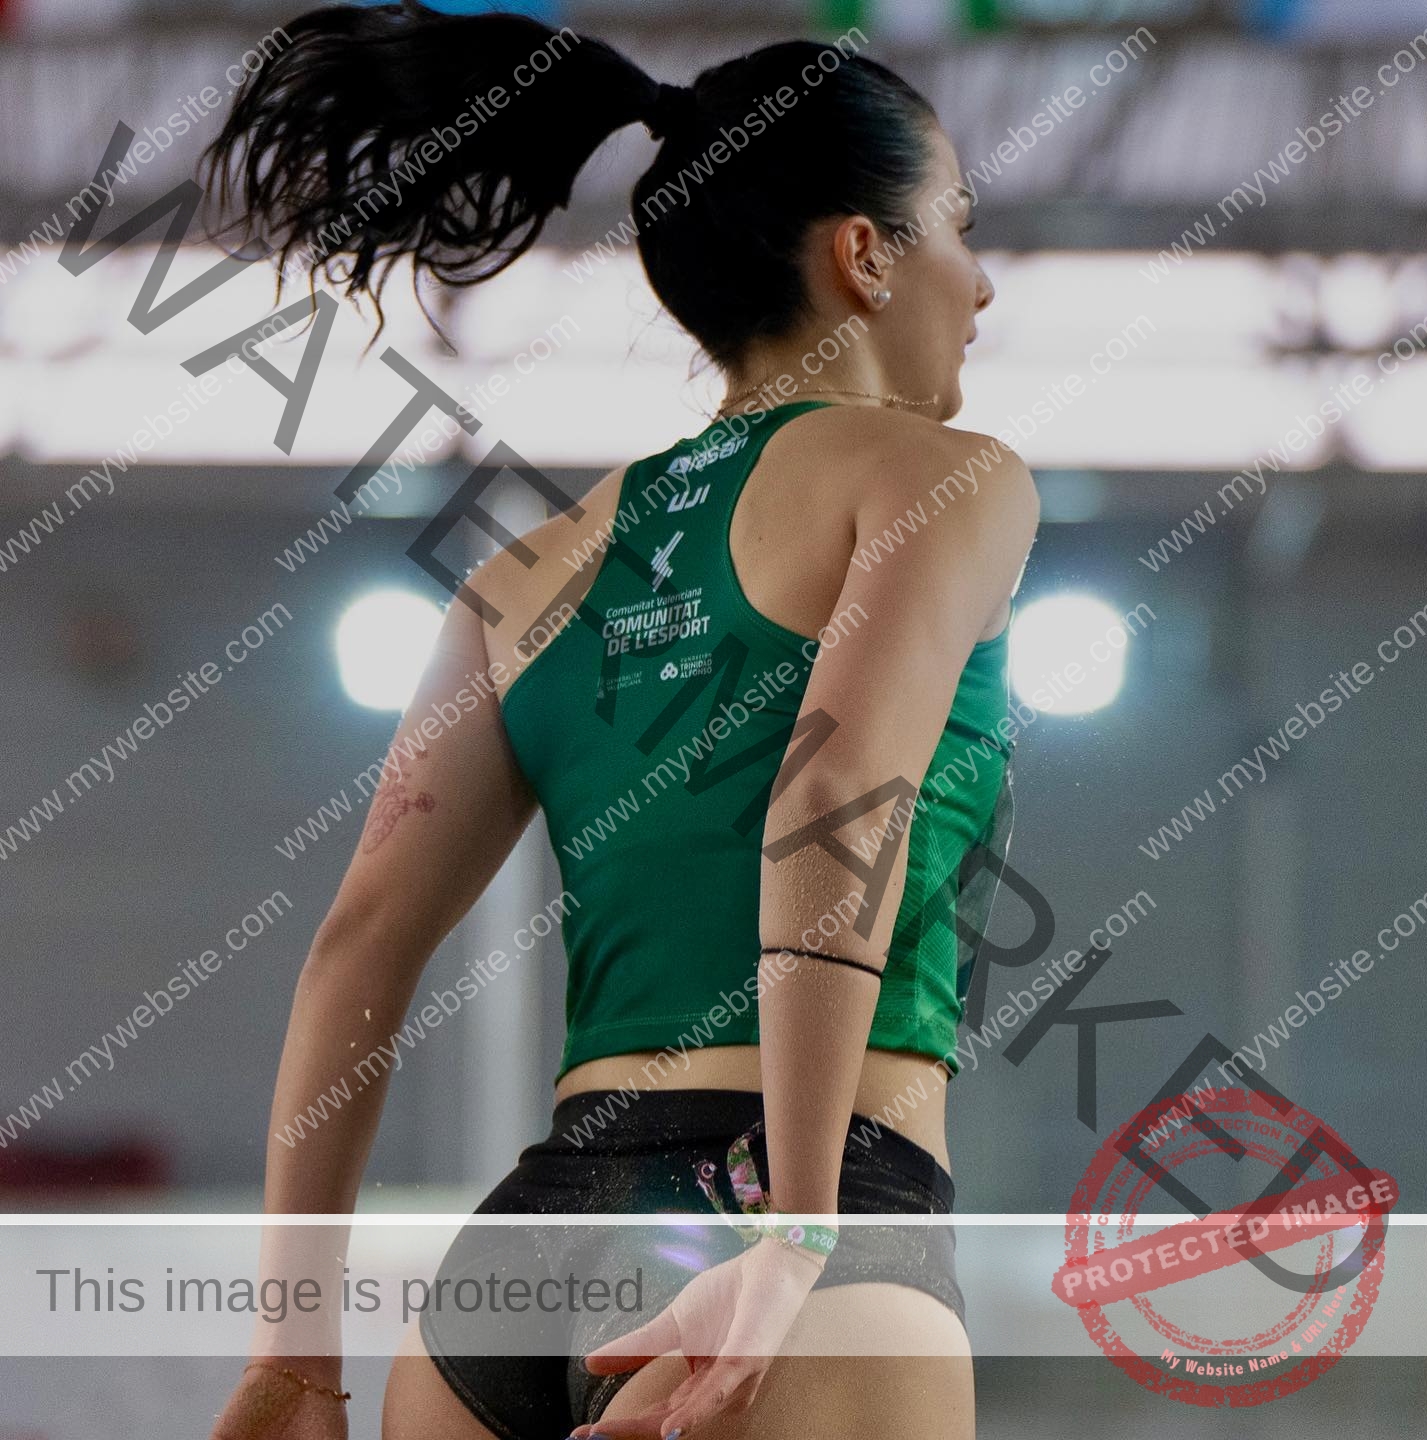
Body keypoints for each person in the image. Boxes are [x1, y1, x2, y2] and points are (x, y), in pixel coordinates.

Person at [203, 6, 1038, 1438]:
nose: (982, 286)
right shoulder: (941, 478)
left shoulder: (525, 575)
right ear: (864, 251)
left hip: (517, 1262)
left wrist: (293, 1357)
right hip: (791, 1226)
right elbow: (826, 811)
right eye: (960, 224)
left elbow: (357, 947)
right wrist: (798, 1236)